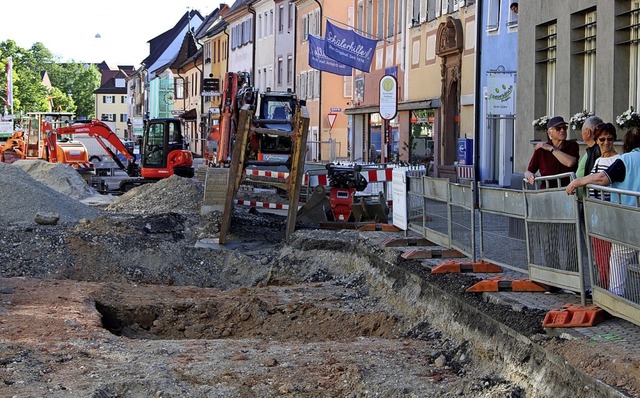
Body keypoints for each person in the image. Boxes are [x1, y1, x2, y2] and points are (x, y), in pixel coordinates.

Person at [566, 127, 640, 297]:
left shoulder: (625, 160)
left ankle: (615, 298)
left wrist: (578, 182)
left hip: (628, 220)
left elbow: (602, 178)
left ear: (625, 143)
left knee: (619, 258)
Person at [586, 123, 619, 289]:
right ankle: (602, 286)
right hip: (596, 213)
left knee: (608, 255)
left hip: (609, 213)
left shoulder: (618, 159)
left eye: (610, 139)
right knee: (599, 255)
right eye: (602, 139)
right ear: (597, 140)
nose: (606, 142)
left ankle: (608, 289)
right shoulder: (598, 160)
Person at [524, 116, 579, 188]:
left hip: (567, 190)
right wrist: (529, 175)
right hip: (547, 191)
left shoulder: (572, 145)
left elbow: (570, 163)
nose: (562, 130)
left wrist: (551, 148)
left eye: (564, 128)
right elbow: (529, 171)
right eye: (558, 128)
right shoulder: (541, 149)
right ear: (550, 133)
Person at [575, 116, 603, 199]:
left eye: (582, 131)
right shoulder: (592, 150)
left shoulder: (596, 150)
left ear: (588, 132)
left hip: (589, 200)